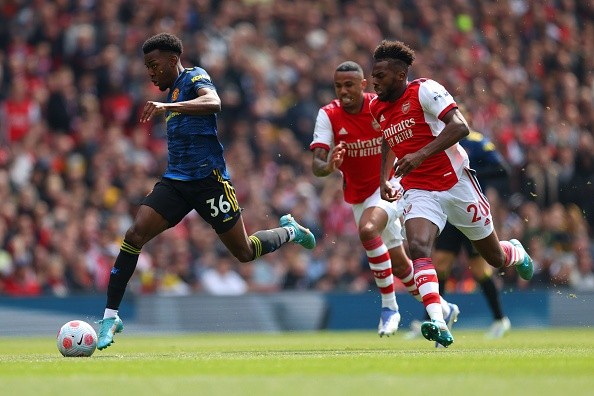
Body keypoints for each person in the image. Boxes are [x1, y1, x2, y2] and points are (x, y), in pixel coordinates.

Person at [96, 32, 316, 350]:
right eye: (147, 67)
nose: (150, 72)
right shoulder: (169, 91)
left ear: (173, 60)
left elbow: (213, 102)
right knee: (134, 235)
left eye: (154, 65)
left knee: (244, 252)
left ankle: (290, 231)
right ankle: (110, 316)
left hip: (209, 182)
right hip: (176, 182)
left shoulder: (194, 77)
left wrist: (168, 106)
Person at [370, 40, 533, 348]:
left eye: (380, 74)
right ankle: (436, 319)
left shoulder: (425, 90)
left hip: (456, 183)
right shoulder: (378, 108)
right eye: (373, 74)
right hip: (418, 189)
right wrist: (383, 180)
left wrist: (419, 154)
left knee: (493, 258)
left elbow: (460, 127)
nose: (374, 80)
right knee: (419, 246)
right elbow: (388, 140)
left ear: (401, 73)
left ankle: (515, 250)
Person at [310, 61, 458, 337]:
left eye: (349, 85)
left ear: (363, 85)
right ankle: (445, 309)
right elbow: (317, 165)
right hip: (359, 195)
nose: (343, 91)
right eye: (338, 86)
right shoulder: (328, 115)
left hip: (392, 185)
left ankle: (389, 307)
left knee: (368, 229)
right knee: (401, 266)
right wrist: (329, 164)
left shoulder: (378, 107)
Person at [408, 127, 512, 339]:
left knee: (482, 268)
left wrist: (469, 170)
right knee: (440, 265)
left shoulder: (476, 141)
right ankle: (431, 319)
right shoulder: (433, 139)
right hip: (447, 211)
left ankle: (500, 319)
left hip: (468, 207)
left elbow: (503, 169)